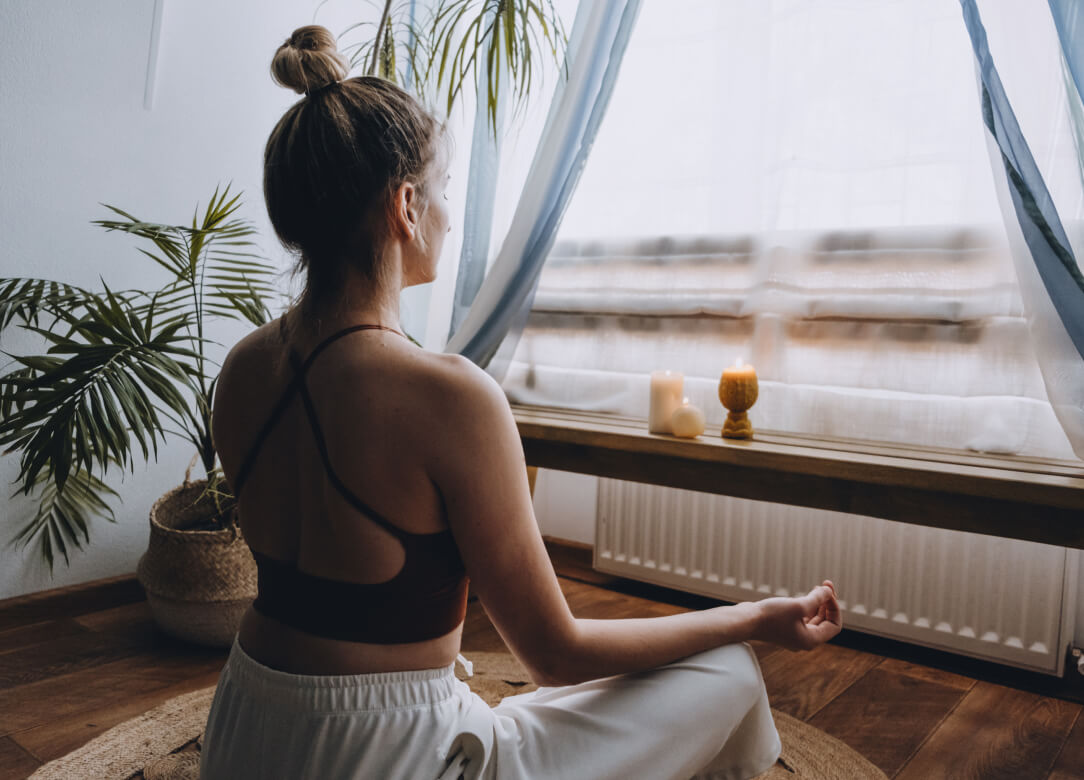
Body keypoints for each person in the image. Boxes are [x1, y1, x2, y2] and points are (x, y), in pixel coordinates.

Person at [200, 24, 842, 780]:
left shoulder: (241, 370)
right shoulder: (449, 397)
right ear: (405, 206)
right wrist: (755, 618)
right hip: (387, 760)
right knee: (728, 670)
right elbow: (556, 654)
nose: (447, 211)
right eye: (441, 191)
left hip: (245, 734)